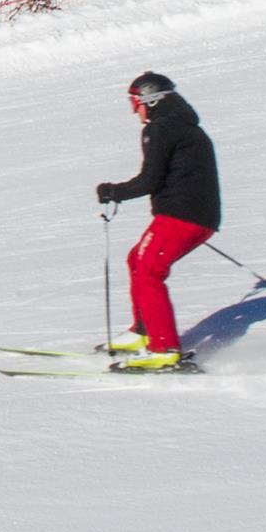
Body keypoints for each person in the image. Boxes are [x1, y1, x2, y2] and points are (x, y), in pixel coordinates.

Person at [94, 71, 219, 367]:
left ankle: (164, 349)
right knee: (137, 260)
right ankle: (144, 331)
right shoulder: (182, 126)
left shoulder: (161, 128)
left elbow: (150, 180)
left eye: (135, 102)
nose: (134, 110)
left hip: (183, 216)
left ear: (151, 100)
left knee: (149, 270)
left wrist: (113, 192)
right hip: (191, 215)